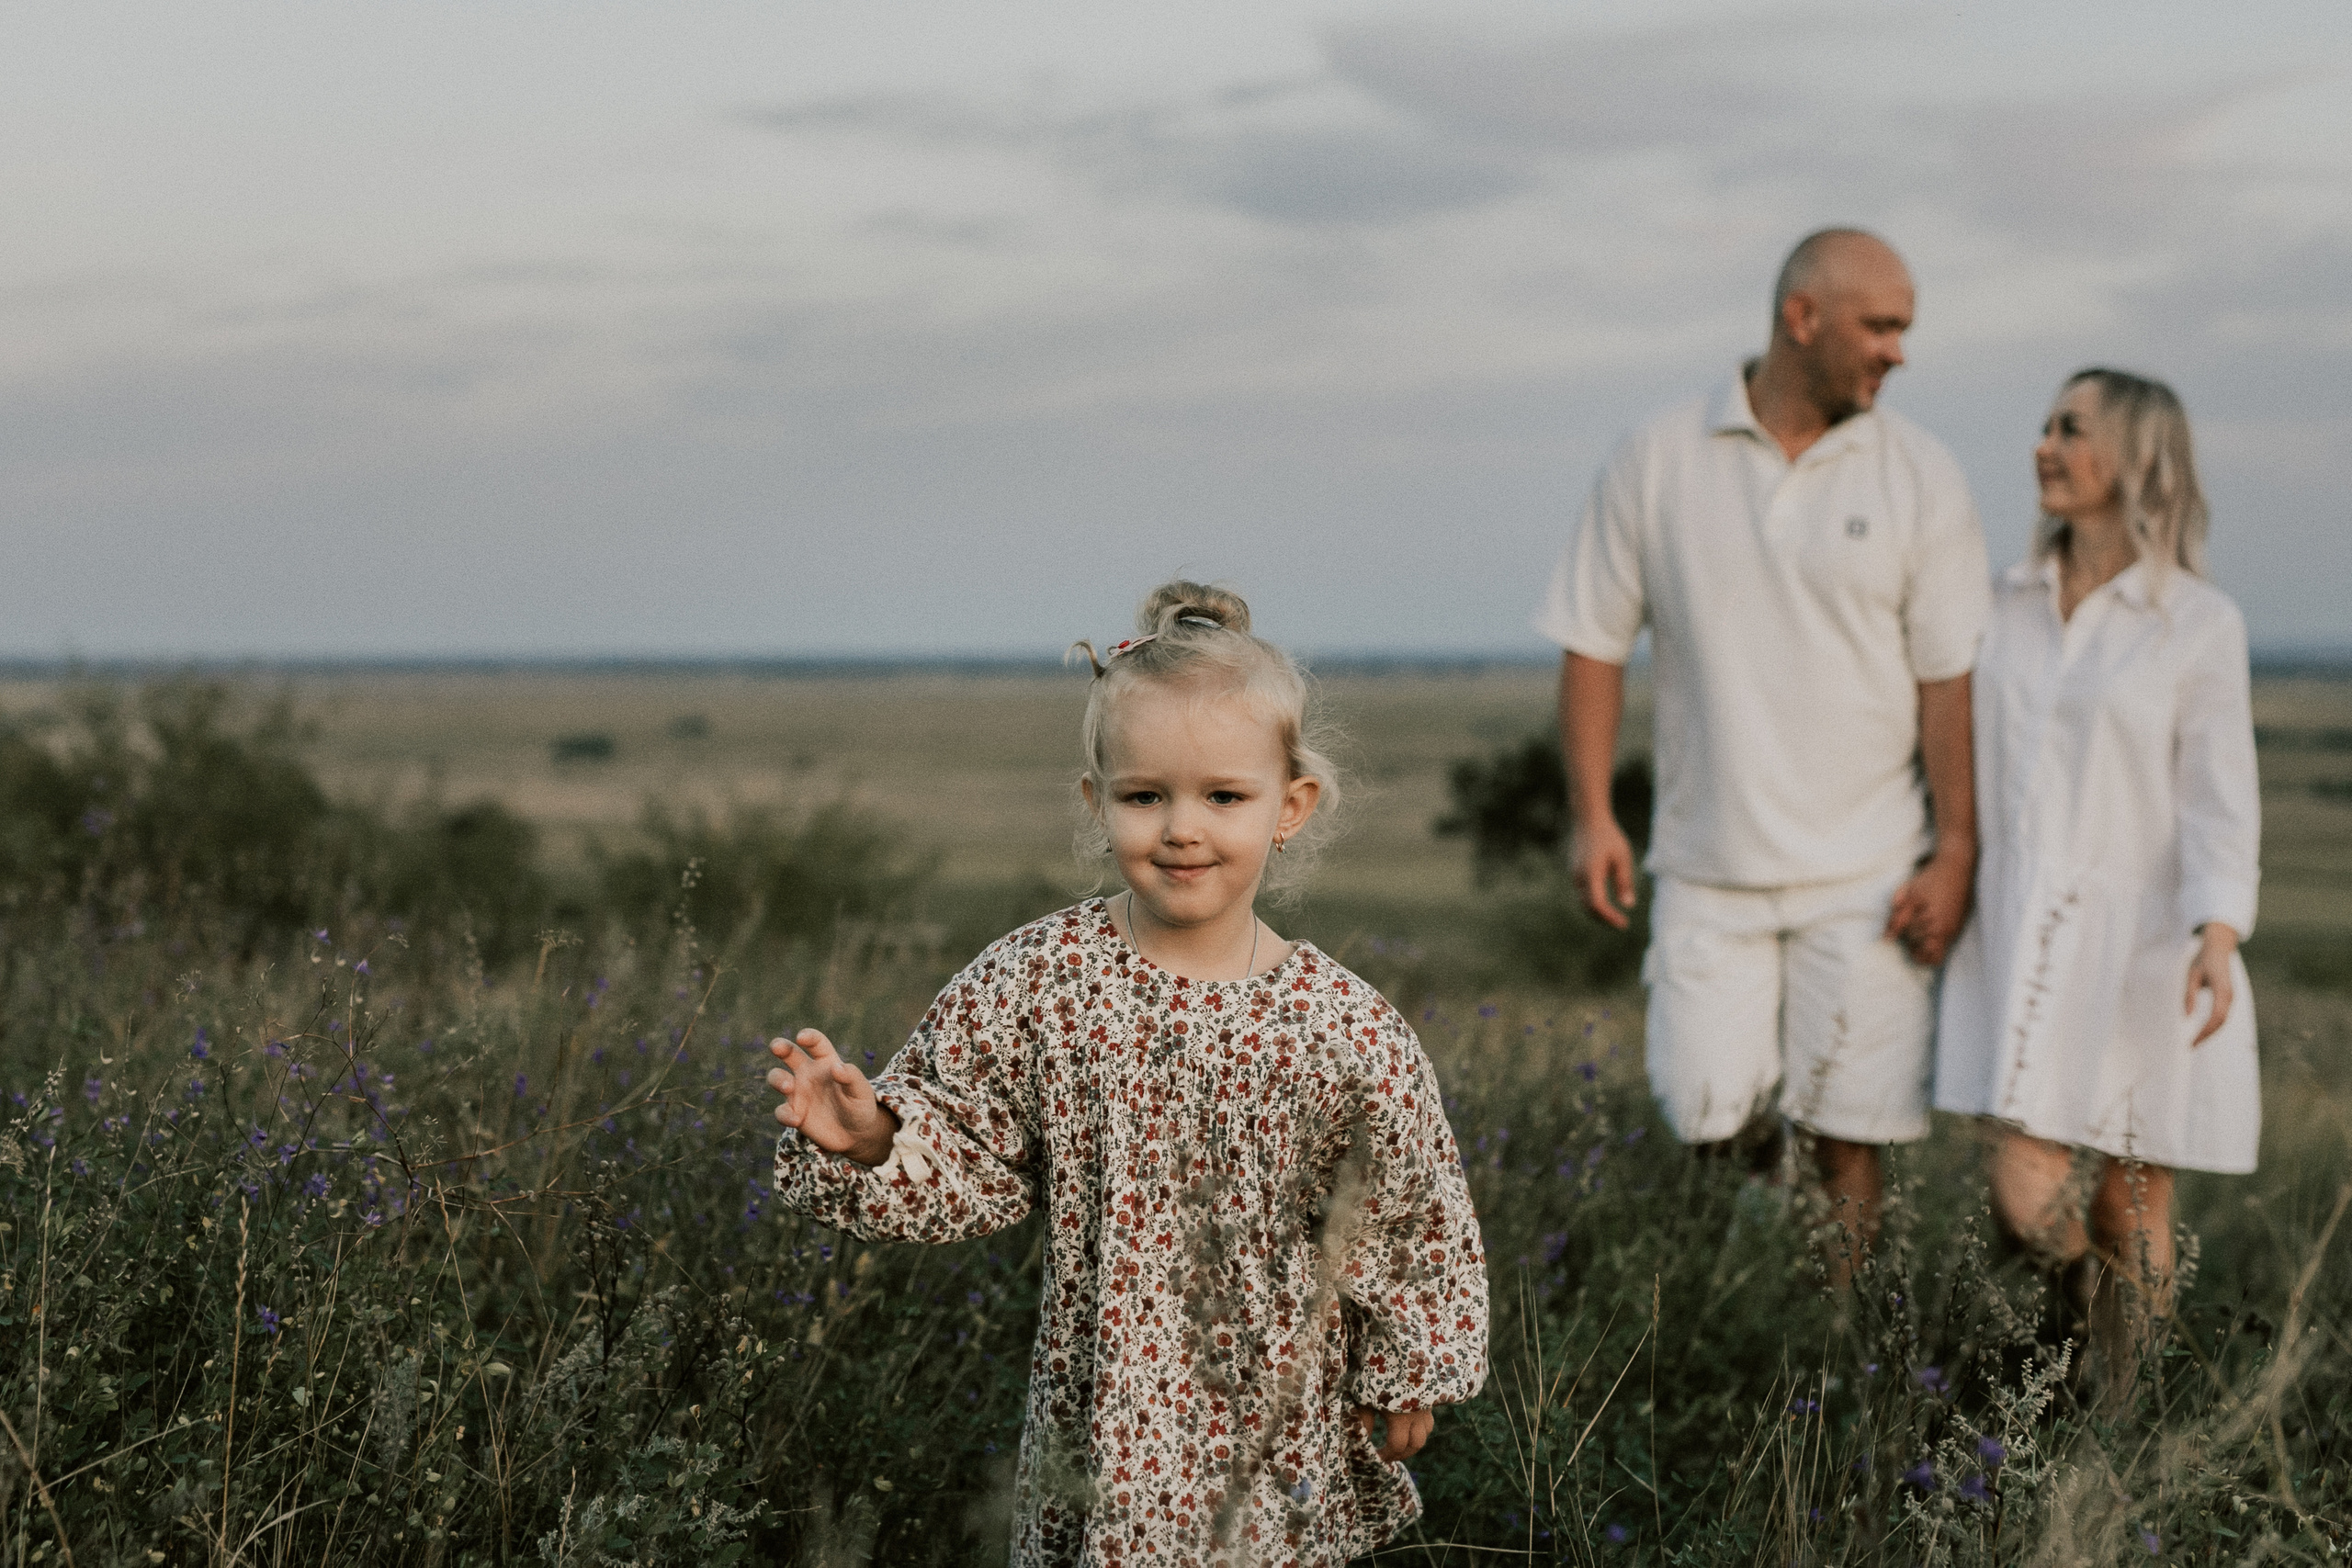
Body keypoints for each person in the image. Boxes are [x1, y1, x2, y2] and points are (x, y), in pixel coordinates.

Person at [766, 581, 1488, 1567]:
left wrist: (1408, 1366)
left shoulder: (1342, 1027)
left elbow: (1405, 1209)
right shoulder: (1041, 978)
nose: (1181, 828)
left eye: (1223, 796)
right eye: (1146, 795)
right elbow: (969, 1150)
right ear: (1096, 803)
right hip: (1100, 1408)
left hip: (1272, 1419)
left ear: (1291, 805)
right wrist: (874, 1138)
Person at [1537, 229, 1991, 1260]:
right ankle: (1731, 1343)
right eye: (1881, 326)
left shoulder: (1921, 473)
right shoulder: (1656, 454)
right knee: (1708, 1123)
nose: (1898, 352)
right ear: (1802, 318)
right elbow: (1592, 640)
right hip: (1708, 869)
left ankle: (1829, 1384)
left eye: (1904, 329)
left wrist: (1954, 850)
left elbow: (1946, 682)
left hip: (1870, 871)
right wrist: (1595, 814)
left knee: (1848, 1142)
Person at [1935, 369, 2258, 1400]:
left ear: (2132, 458)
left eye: (2069, 429)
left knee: (2131, 1195)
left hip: (2143, 938)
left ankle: (2118, 1413)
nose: (2042, 444)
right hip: (2019, 923)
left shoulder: (2196, 623)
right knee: (2023, 1194)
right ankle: (2079, 1335)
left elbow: (2218, 791)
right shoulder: (1999, 602)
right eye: (2041, 425)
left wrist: (2218, 927)